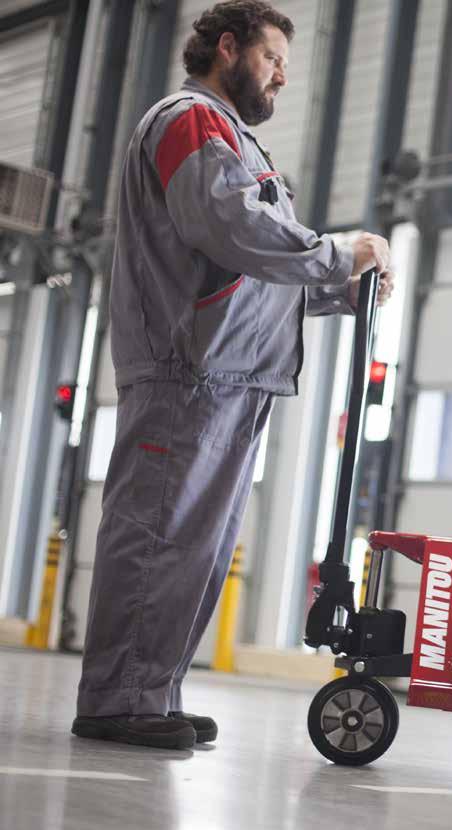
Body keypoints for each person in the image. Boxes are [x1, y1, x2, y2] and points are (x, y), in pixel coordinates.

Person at [72, 0, 395, 750]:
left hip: (232, 373)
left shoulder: (237, 141)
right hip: (191, 371)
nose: (284, 74)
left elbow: (253, 269)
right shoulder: (192, 120)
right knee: (159, 535)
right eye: (272, 57)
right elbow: (231, 225)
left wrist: (340, 289)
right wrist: (338, 253)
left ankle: (149, 692)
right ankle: (119, 697)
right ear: (227, 47)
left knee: (193, 550)